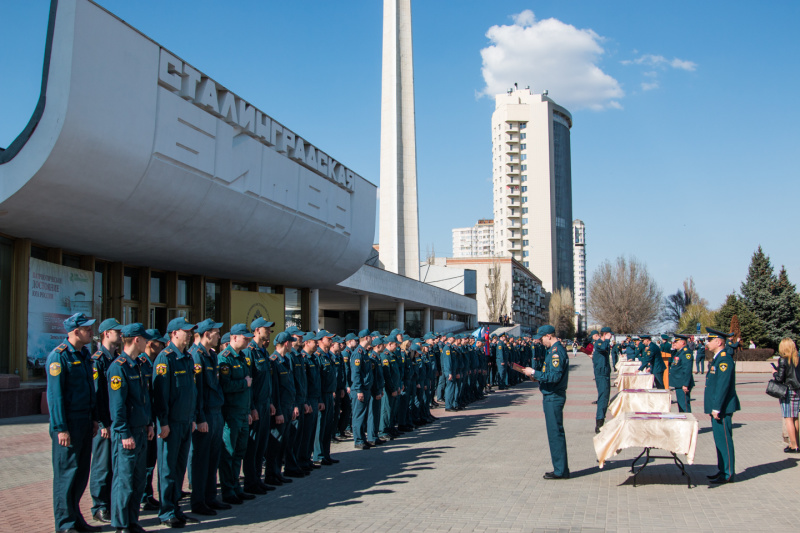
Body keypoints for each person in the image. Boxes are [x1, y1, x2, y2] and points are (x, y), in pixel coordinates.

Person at [47, 312, 102, 533]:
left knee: (80, 475)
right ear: (75, 331)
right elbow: (55, 396)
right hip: (68, 424)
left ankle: (76, 519)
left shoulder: (85, 354)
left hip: (85, 421)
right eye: (87, 328)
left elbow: (91, 390)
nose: (91, 331)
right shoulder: (59, 357)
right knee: (66, 476)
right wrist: (61, 428)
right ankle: (65, 524)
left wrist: (95, 418)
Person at [107, 323, 155, 533]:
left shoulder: (139, 364)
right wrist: (124, 433)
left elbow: (145, 399)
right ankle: (121, 524)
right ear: (136, 340)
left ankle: (133, 521)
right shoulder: (118, 367)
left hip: (141, 430)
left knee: (137, 480)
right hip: (127, 434)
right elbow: (117, 406)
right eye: (145, 339)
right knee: (124, 481)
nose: (147, 342)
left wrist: (149, 423)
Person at [152, 317, 200, 527]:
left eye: (190, 332)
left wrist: (191, 418)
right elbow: (160, 395)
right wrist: (163, 422)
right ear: (173, 334)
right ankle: (166, 511)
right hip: (170, 424)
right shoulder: (165, 358)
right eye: (185, 331)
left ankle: (176, 507)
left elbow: (191, 392)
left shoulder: (188, 358)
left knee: (179, 468)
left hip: (185, 421)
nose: (189, 335)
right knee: (168, 469)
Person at [189, 318, 230, 515]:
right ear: (206, 334)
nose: (219, 336)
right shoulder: (196, 357)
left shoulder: (211, 355)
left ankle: (210, 497)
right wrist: (199, 417)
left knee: (213, 458)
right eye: (216, 332)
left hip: (215, 412)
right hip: (205, 414)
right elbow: (196, 391)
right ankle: (198, 501)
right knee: (201, 460)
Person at [523, 324, 569, 480]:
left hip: (554, 396)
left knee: (555, 434)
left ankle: (560, 470)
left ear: (549, 336)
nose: (540, 342)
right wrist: (536, 376)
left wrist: (534, 372)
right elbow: (549, 374)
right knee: (554, 433)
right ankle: (561, 468)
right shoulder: (552, 351)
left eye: (541, 338)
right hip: (551, 395)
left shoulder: (556, 352)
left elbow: (555, 377)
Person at [217, 324, 257, 504]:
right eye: (245, 338)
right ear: (234, 338)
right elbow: (224, 387)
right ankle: (227, 490)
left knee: (240, 451)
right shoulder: (225, 359)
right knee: (229, 452)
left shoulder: (242, 357)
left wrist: (248, 410)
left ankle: (235, 486)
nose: (248, 341)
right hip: (231, 413)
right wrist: (244, 383)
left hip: (242, 412)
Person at [90, 317, 122, 524]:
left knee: (113, 464)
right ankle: (99, 506)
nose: (120, 335)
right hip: (105, 423)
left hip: (115, 422)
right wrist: (102, 423)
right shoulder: (98, 359)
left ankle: (110, 503)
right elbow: (97, 395)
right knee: (102, 465)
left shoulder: (116, 358)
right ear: (106, 334)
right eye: (116, 332)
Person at [704, 327, 741, 484]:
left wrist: (717, 407)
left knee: (724, 440)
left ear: (719, 342)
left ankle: (728, 473)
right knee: (719, 440)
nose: (707, 343)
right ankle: (722, 470)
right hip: (717, 406)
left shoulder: (724, 359)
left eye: (710, 340)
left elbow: (723, 385)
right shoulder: (719, 358)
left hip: (722, 408)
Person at [139, 330, 165, 511]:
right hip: (145, 419)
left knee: (151, 460)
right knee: (144, 461)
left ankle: (147, 494)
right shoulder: (141, 363)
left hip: (153, 418)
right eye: (159, 343)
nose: (162, 346)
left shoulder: (153, 363)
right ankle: (142, 496)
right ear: (150, 343)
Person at [773, 338, 800, 453]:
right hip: (798, 390)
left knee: (788, 418)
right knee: (795, 418)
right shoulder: (797, 358)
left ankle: (793, 445)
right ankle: (795, 442)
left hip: (788, 391)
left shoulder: (783, 360)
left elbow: (779, 378)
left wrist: (774, 372)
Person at [591, 328, 613, 433]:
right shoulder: (600, 343)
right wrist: (607, 339)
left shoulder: (602, 343)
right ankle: (599, 424)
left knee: (605, 397)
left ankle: (601, 421)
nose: (611, 336)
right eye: (609, 334)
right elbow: (604, 347)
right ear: (605, 334)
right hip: (601, 374)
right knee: (603, 398)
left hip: (604, 373)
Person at [669, 334, 695, 412]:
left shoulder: (686, 353)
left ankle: (688, 423)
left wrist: (685, 384)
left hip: (682, 384)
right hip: (678, 383)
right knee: (681, 406)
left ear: (683, 342)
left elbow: (687, 369)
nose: (674, 344)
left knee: (684, 406)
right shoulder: (679, 352)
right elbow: (672, 360)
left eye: (676, 342)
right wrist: (673, 349)